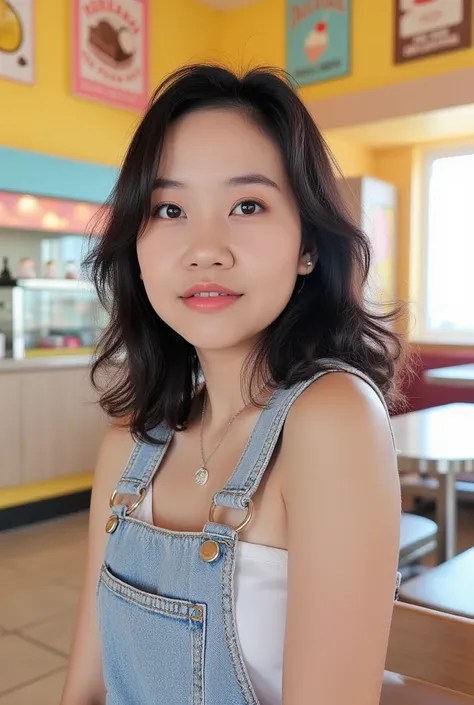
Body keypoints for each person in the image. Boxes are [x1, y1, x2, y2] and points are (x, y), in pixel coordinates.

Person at [61, 64, 403, 705]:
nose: (205, 248)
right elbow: (86, 687)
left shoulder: (332, 419)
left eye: (247, 205)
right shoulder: (127, 449)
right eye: (169, 208)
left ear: (308, 245)